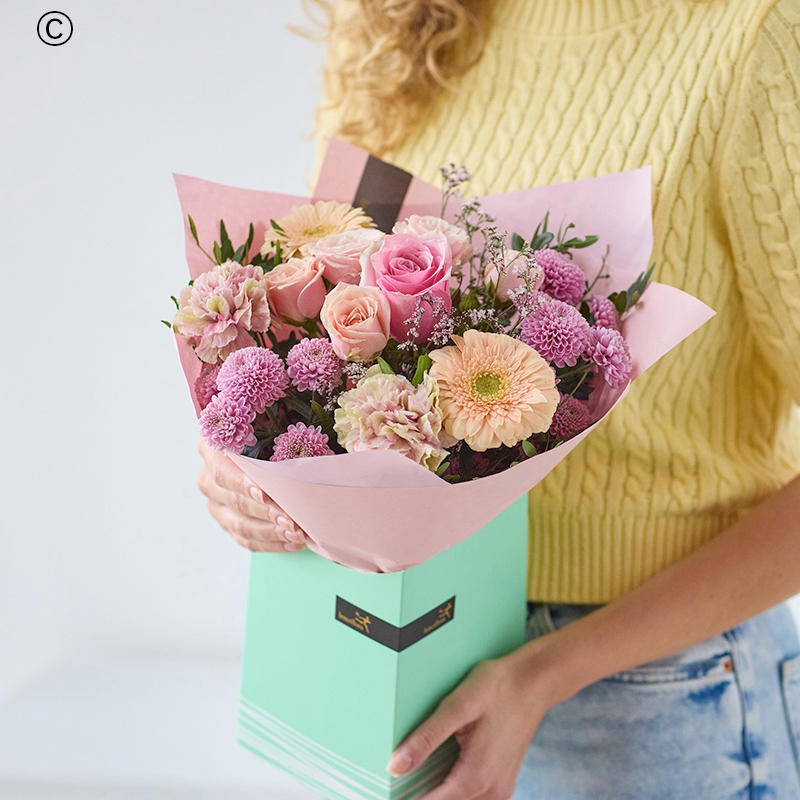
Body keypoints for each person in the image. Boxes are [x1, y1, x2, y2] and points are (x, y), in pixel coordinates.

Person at [197, 0, 800, 796]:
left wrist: (547, 671)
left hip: (644, 694)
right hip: (399, 655)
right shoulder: (399, 26)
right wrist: (241, 464)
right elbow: (312, 328)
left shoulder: (756, 35)